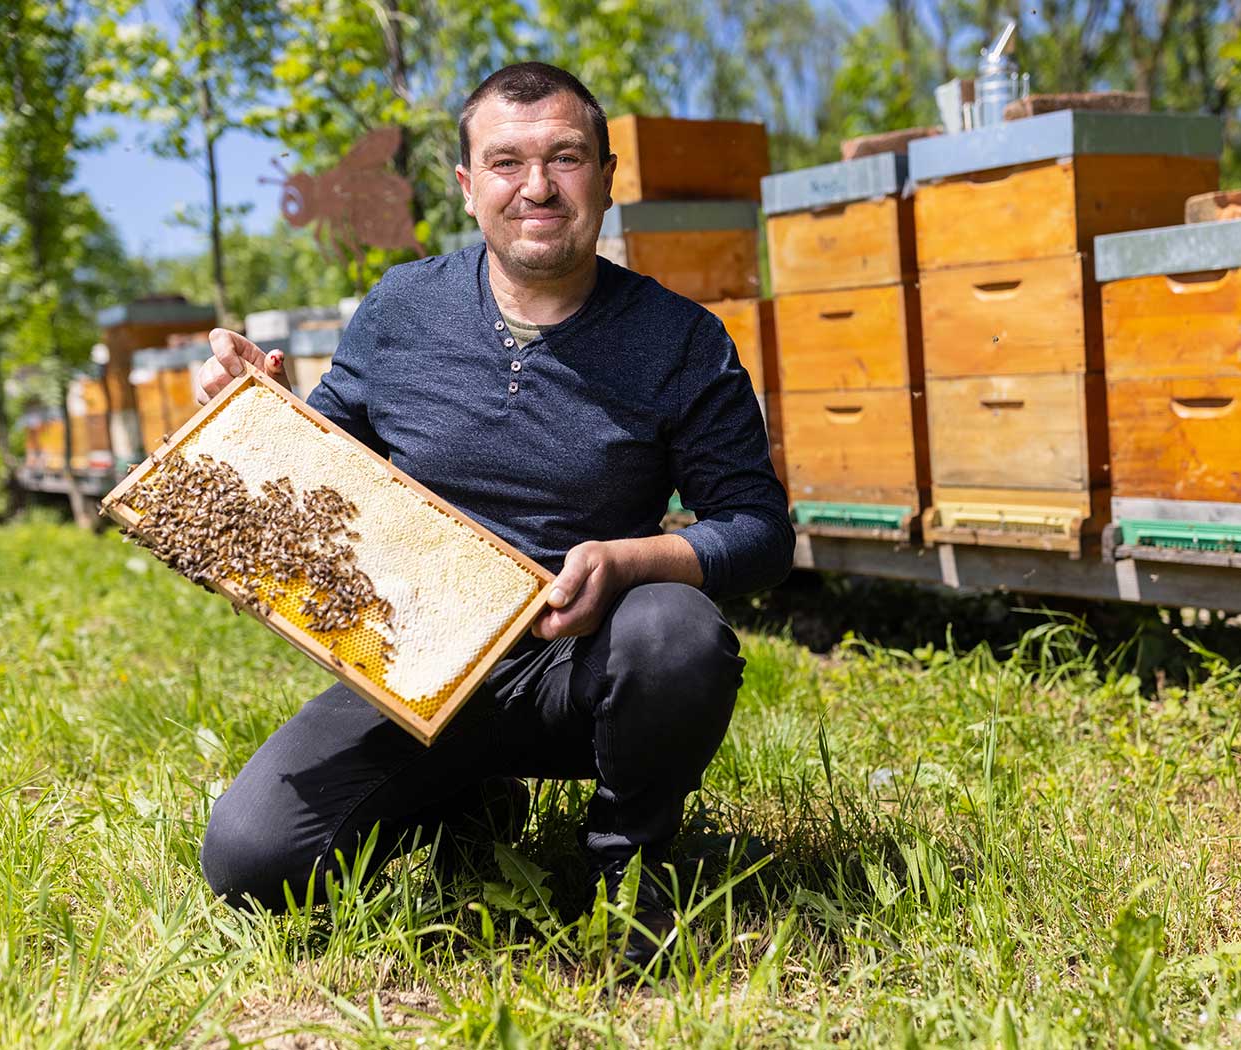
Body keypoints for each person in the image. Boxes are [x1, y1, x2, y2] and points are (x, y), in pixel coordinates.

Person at [192, 62, 794, 970]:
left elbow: (757, 529)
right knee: (251, 860)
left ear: (606, 176)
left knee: (674, 631)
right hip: (415, 670)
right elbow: (324, 470)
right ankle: (468, 800)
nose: (537, 187)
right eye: (507, 162)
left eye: (565, 157)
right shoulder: (402, 309)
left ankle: (625, 874)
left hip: (582, 669)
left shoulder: (680, 339)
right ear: (469, 187)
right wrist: (257, 415)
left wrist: (634, 562)